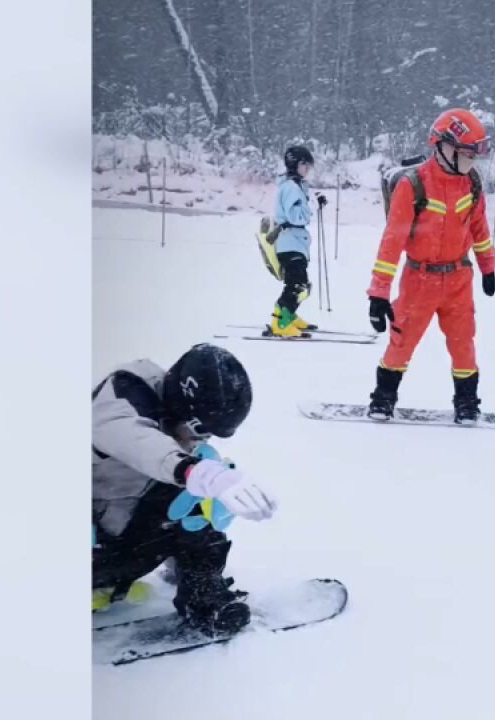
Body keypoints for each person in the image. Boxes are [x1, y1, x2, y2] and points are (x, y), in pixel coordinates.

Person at [92, 343, 277, 635]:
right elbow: (138, 442)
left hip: (119, 526)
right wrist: (193, 470)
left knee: (195, 515)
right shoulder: (120, 401)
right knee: (187, 489)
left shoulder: (171, 423)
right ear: (182, 407)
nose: (198, 440)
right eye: (201, 430)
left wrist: (210, 478)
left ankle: (205, 597)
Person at [365, 108, 495, 425]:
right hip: (419, 280)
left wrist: (488, 266)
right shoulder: (413, 185)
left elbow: (479, 227)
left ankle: (467, 403)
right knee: (402, 341)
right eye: (468, 154)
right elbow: (392, 241)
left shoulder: (471, 183)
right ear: (445, 146)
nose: (472, 162)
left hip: (458, 280)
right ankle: (383, 399)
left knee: (464, 344)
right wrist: (378, 292)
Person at [269, 146, 324, 337]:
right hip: (289, 242)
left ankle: (285, 315)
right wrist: (311, 209)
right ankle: (281, 323)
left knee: (297, 284)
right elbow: (295, 216)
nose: (307, 168)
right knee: (298, 286)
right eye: (304, 164)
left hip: (294, 242)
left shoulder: (295, 185)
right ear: (294, 164)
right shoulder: (291, 187)